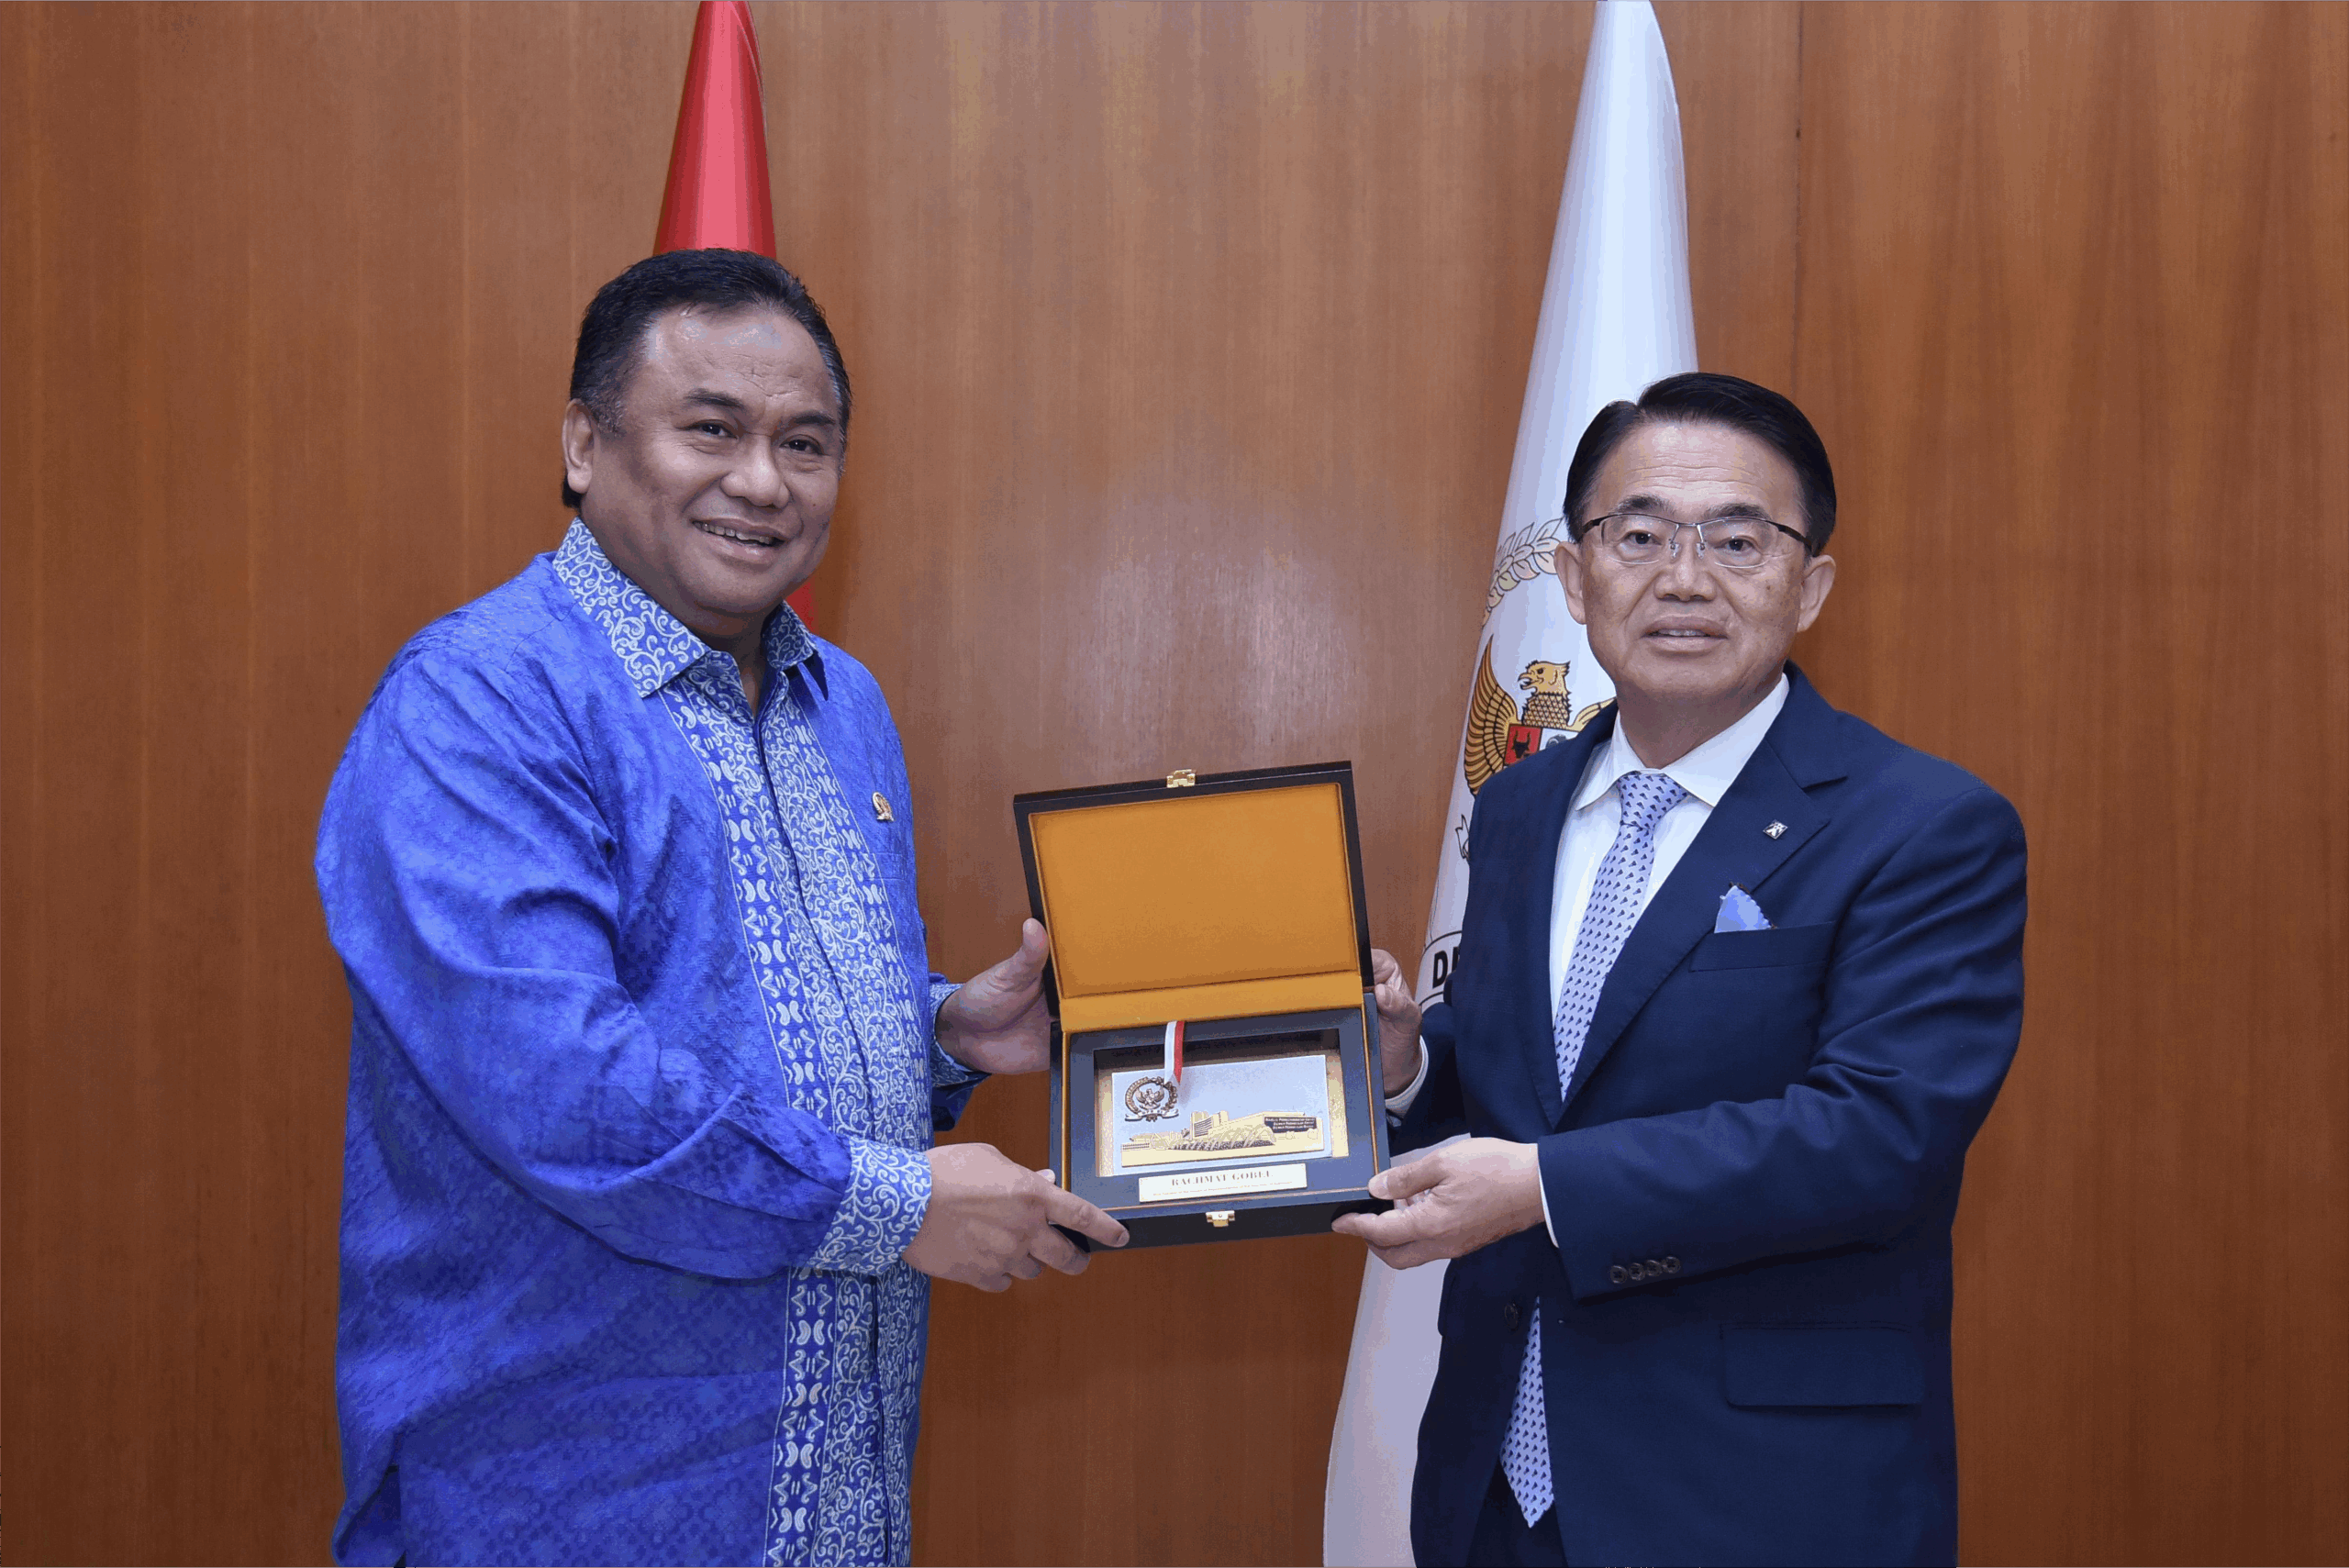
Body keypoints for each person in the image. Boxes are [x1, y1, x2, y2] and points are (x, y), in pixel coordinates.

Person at [316, 249, 1127, 1568]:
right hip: (565, 1506)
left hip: (837, 1501)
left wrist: (943, 1039)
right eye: (711, 429)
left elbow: (735, 1021)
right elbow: (560, 1088)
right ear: (584, 445)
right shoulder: (478, 701)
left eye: (806, 443)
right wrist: (897, 1206)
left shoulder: (843, 705)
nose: (763, 482)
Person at [1338, 373, 2025, 1566]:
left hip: (1758, 1498)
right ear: (1573, 578)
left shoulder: (1923, 825)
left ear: (1811, 585)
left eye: (1738, 541)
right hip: (1495, 1486)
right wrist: (1407, 1069)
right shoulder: (1520, 807)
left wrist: (1545, 1187)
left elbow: (1878, 1137)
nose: (1686, 580)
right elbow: (1538, 1087)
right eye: (1640, 536)